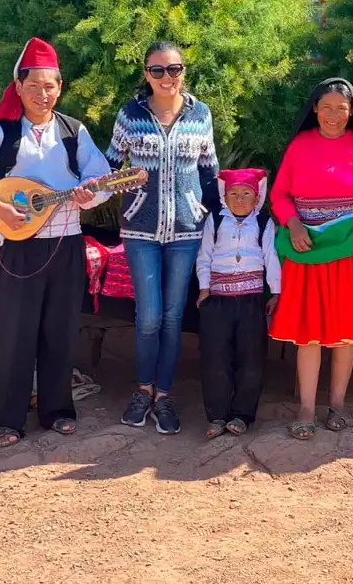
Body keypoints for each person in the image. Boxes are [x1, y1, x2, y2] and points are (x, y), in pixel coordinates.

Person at [0, 38, 113, 447]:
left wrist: (88, 193)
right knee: (14, 331)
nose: (45, 94)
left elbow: (101, 178)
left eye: (52, 86)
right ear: (19, 88)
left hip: (67, 242)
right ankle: (6, 418)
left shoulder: (74, 131)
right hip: (19, 246)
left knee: (60, 331)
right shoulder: (2, 132)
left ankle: (57, 410)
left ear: (60, 87)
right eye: (36, 86)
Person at [269, 78, 353, 441]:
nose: (332, 115)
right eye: (325, 107)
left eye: (340, 108)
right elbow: (279, 195)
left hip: (351, 249)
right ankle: (307, 409)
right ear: (314, 109)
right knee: (307, 334)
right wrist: (293, 223)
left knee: (344, 336)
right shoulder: (299, 145)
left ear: (351, 112)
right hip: (306, 249)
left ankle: (338, 406)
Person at [106, 41, 219, 435]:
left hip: (187, 230)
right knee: (149, 316)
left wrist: (217, 219)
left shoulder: (200, 114)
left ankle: (164, 395)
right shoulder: (130, 115)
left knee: (172, 317)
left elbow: (209, 172)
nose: (166, 77)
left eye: (174, 69)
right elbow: (109, 166)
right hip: (140, 230)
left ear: (184, 71)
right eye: (158, 70)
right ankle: (142, 390)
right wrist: (97, 190)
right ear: (146, 73)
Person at [196, 168, 281, 438]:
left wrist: (276, 292)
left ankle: (242, 415)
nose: (240, 199)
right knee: (215, 359)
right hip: (218, 300)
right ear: (225, 196)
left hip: (251, 300)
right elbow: (205, 256)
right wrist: (204, 289)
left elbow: (271, 257)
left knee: (251, 358)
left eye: (247, 193)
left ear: (257, 198)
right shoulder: (216, 221)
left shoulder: (265, 223)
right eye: (234, 193)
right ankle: (218, 415)